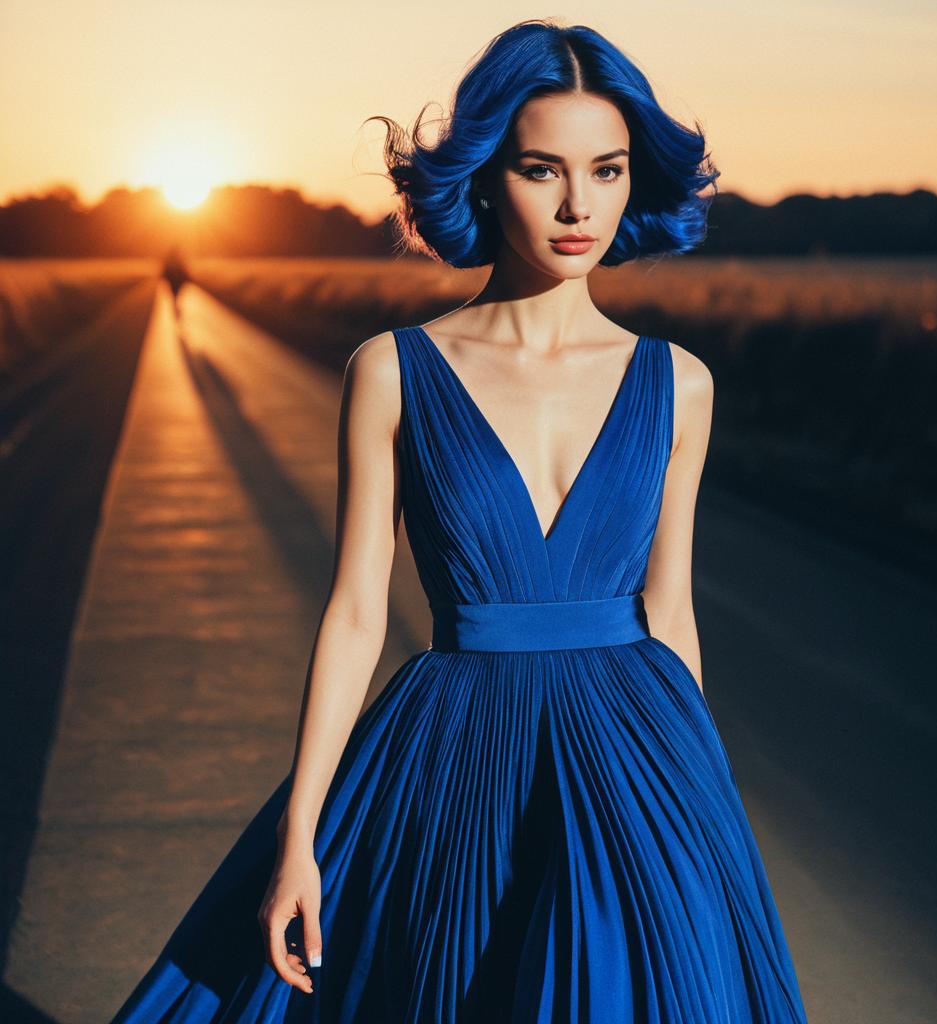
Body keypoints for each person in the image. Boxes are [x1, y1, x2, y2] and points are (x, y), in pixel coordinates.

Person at [110, 18, 809, 1023]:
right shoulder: (393, 372)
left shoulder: (679, 385)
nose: (578, 206)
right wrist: (299, 834)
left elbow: (670, 612)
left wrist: (702, 805)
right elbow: (356, 612)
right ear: (485, 177)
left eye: (607, 170)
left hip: (641, 754)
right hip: (461, 746)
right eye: (541, 169)